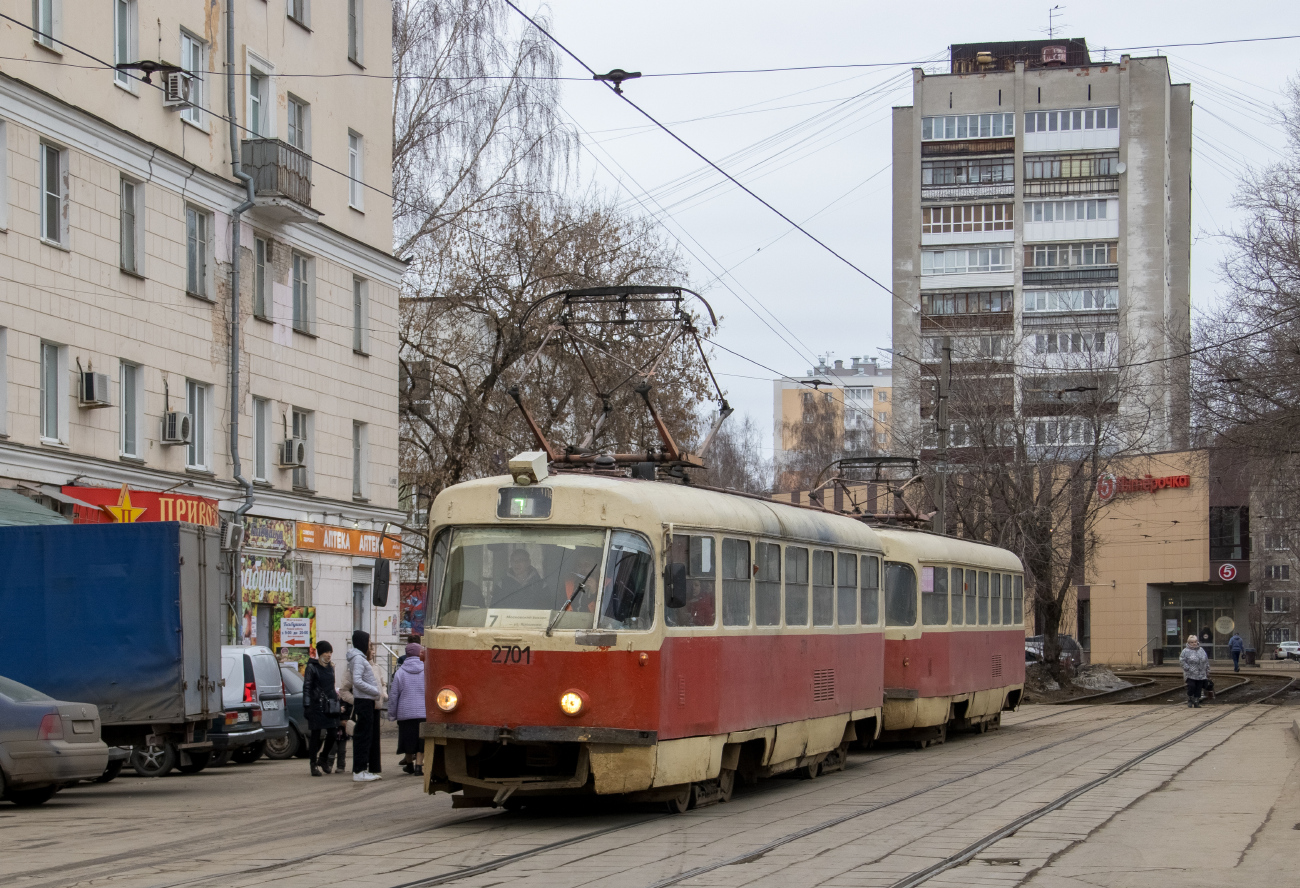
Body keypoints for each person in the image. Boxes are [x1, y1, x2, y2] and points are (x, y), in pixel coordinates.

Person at [346, 630, 383, 782]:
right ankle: (359, 770)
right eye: (368, 642)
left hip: (365, 700)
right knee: (363, 736)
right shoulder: (359, 659)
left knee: (365, 736)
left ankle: (362, 769)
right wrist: (375, 691)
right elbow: (357, 681)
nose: (370, 645)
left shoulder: (358, 658)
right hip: (364, 701)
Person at [388, 643, 427, 776]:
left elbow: (393, 695)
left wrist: (392, 714)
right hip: (423, 712)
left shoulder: (400, 673)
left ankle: (409, 765)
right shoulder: (427, 671)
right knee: (421, 740)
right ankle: (419, 767)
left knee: (407, 739)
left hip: (405, 713)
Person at [302, 641, 340, 776]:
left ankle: (323, 759)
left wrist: (336, 700)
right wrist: (306, 705)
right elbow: (307, 687)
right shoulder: (312, 667)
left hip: (330, 705)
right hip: (316, 706)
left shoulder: (331, 667)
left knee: (333, 734)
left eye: (330, 653)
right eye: (326, 652)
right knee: (316, 736)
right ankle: (313, 765)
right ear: (320, 653)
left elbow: (331, 686)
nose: (329, 655)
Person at [1180, 634, 1210, 708]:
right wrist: (1187, 668)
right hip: (1190, 673)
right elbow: (1182, 661)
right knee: (1191, 686)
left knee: (1199, 688)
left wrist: (1207, 669)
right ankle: (1190, 698)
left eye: (1195, 642)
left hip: (1201, 673)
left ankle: (1196, 701)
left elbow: (1206, 660)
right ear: (1189, 643)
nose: (1194, 643)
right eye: (1192, 642)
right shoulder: (1185, 651)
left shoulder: (1201, 650)